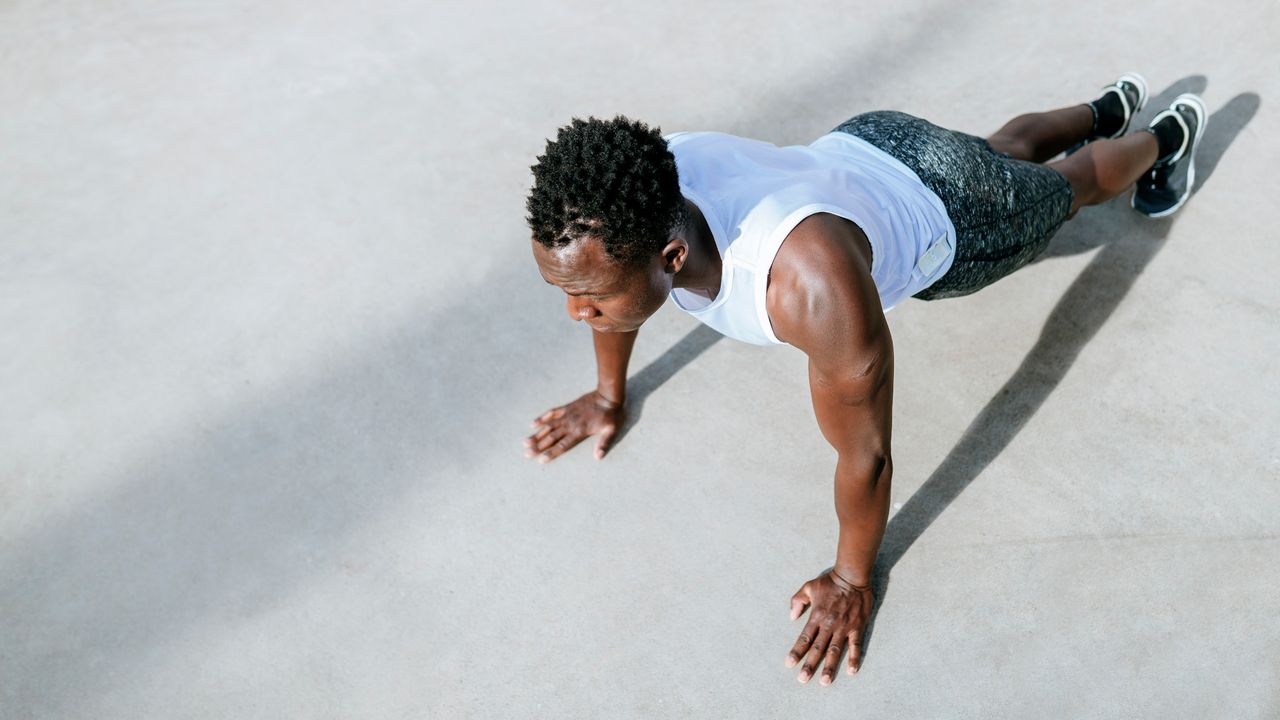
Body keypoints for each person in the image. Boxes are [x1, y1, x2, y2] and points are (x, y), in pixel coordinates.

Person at [520, 74, 1206, 686]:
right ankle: (1105, 104)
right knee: (1000, 151)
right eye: (564, 291)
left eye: (590, 298)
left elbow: (866, 452)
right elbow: (615, 297)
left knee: (1069, 187)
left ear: (672, 256)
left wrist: (851, 579)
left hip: (953, 216)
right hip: (867, 143)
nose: (577, 312)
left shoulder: (806, 289)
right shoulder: (643, 184)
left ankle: (1164, 137)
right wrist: (610, 396)